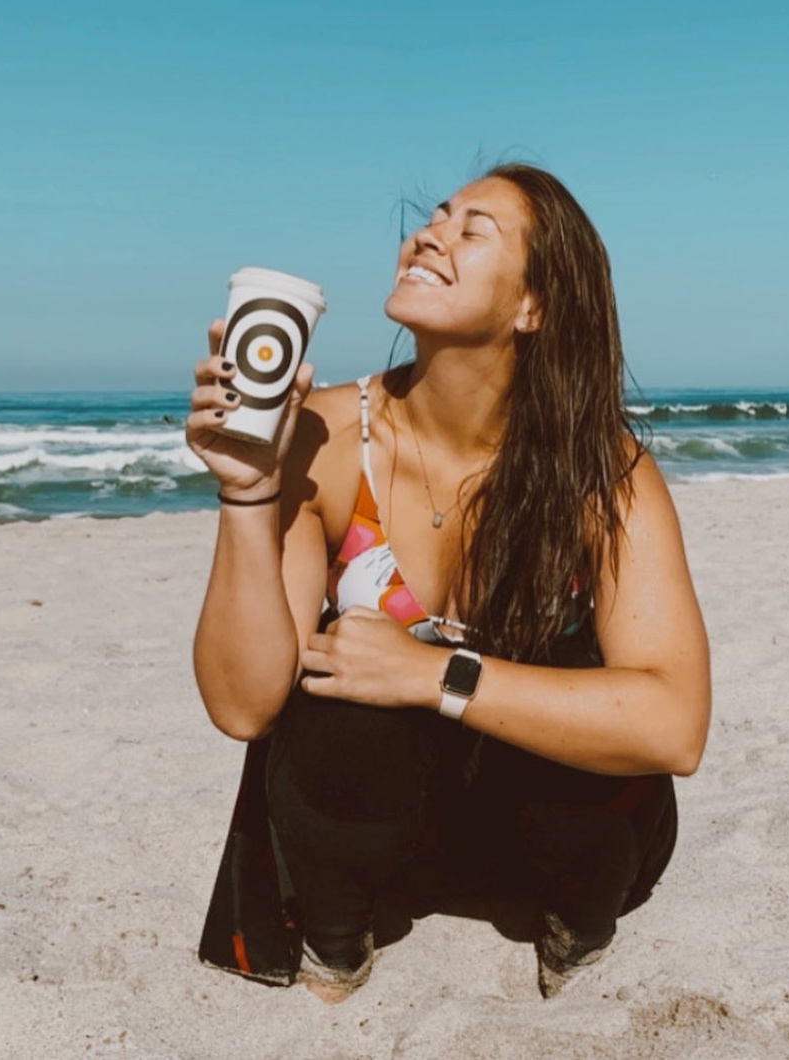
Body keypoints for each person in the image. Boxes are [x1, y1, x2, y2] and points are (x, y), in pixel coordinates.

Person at [186, 163, 711, 1002]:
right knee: (331, 705)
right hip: (387, 830)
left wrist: (435, 676)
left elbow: (675, 727)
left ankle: (573, 926)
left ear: (533, 305)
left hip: (544, 831)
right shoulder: (325, 436)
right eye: (435, 217)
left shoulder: (599, 469)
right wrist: (247, 488)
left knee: (591, 728)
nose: (429, 234)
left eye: (473, 230)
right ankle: (336, 935)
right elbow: (244, 705)